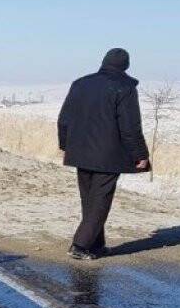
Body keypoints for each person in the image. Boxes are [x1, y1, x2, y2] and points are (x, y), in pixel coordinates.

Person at [57, 48, 151, 260]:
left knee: (89, 200)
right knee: (99, 202)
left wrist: (65, 144)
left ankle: (96, 245)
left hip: (80, 150)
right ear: (126, 66)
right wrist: (140, 154)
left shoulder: (80, 84)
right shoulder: (124, 88)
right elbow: (130, 126)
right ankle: (80, 245)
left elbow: (64, 118)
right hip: (108, 154)